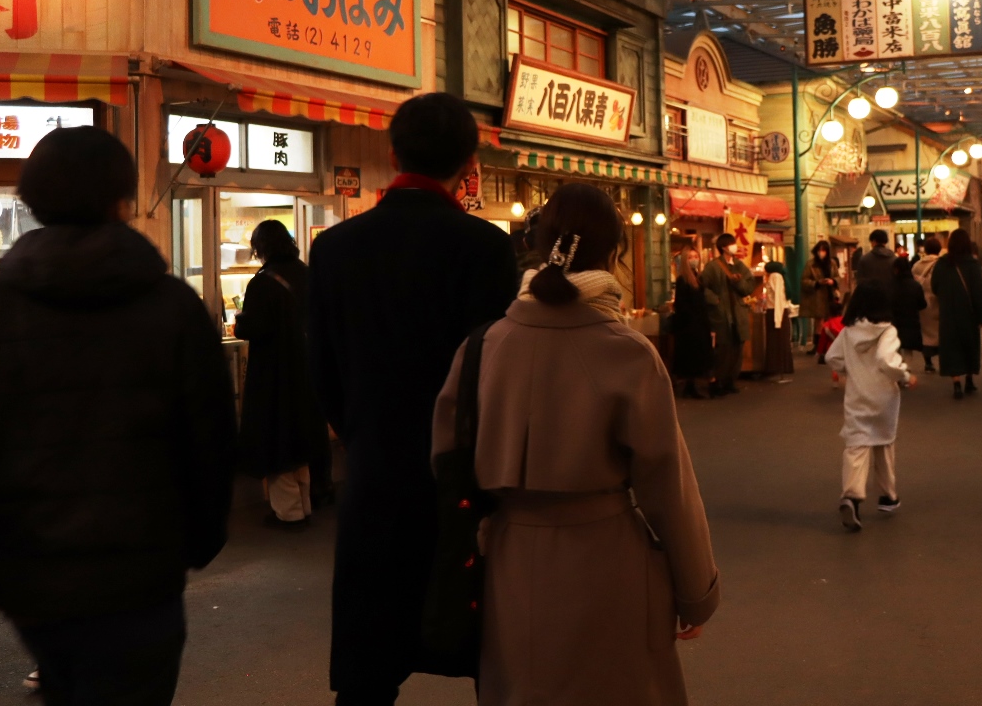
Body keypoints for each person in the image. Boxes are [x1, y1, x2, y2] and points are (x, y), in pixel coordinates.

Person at [0, 126, 236, 706]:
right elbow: (211, 441)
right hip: (144, 576)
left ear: (31, 198)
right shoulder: (173, 307)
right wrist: (198, 541)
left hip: (30, 577)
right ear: (122, 199)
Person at [431, 183, 719, 706]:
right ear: (612, 254)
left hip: (508, 562)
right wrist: (695, 592)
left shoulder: (483, 347)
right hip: (608, 562)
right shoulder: (625, 351)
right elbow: (668, 488)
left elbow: (446, 458)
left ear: (540, 245)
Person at [309, 93, 519, 705]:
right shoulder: (484, 249)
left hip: (374, 474)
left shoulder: (336, 249)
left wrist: (361, 430)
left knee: (368, 665)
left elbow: (320, 368)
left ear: (392, 149)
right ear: (468, 161)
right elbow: (496, 373)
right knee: (485, 648)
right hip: (464, 483)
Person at [234, 219, 328, 529]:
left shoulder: (263, 282)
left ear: (261, 247)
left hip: (274, 374)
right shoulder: (307, 273)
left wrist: (239, 322)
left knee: (277, 439)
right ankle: (305, 504)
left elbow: (254, 328)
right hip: (307, 370)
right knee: (300, 438)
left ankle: (289, 514)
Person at [824, 284, 916, 532]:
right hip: (884, 397)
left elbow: (832, 358)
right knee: (884, 443)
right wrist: (905, 376)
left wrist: (849, 370)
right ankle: (888, 496)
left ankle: (852, 497)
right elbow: (887, 360)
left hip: (857, 396)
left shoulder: (848, 332)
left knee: (857, 445)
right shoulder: (888, 331)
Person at [701, 233, 760, 396]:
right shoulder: (713, 267)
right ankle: (718, 381)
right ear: (724, 247)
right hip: (721, 315)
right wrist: (715, 300)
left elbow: (748, 288)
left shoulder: (740, 265)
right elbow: (702, 288)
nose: (735, 246)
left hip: (738, 314)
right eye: (732, 244)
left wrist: (738, 281)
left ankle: (730, 381)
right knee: (722, 350)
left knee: (737, 349)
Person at [932, 228, 982, 400]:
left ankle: (956, 383)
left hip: (948, 313)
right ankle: (969, 379)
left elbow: (934, 286)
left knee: (951, 347)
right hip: (969, 314)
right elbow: (979, 292)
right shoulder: (973, 264)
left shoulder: (942, 264)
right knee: (969, 345)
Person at [671, 248, 715, 399]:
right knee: (691, 355)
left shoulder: (698, 277)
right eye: (690, 257)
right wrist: (691, 318)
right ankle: (690, 386)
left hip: (700, 323)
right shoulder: (683, 279)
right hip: (689, 325)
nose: (694, 259)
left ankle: (693, 385)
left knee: (698, 355)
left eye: (696, 256)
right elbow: (681, 304)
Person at [801, 241, 841, 360]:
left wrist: (833, 281)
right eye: (819, 250)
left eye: (824, 250)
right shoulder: (811, 264)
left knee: (831, 320)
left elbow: (837, 277)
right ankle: (817, 345)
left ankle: (830, 344)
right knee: (819, 321)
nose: (821, 253)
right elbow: (804, 280)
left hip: (830, 294)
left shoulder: (832, 263)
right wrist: (817, 283)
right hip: (817, 295)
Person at [910, 237, 942, 373]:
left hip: (922, 302)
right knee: (939, 331)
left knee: (925, 333)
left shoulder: (917, 265)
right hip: (938, 301)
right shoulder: (941, 264)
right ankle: (942, 358)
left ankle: (928, 362)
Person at [761, 261, 796, 381]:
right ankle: (782, 367)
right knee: (780, 340)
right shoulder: (779, 276)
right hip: (779, 311)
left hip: (776, 311)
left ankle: (776, 367)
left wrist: (777, 318)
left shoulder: (775, 276)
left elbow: (777, 298)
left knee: (776, 341)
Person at [891, 256, 927, 367]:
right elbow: (922, 304)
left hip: (894, 323)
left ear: (896, 269)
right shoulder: (915, 286)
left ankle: (897, 372)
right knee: (908, 351)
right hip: (911, 322)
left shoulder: (890, 285)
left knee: (895, 348)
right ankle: (907, 372)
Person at [854, 228, 897, 294]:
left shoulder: (864, 259)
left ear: (873, 241)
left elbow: (860, 282)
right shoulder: (894, 259)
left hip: (871, 297)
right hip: (891, 296)